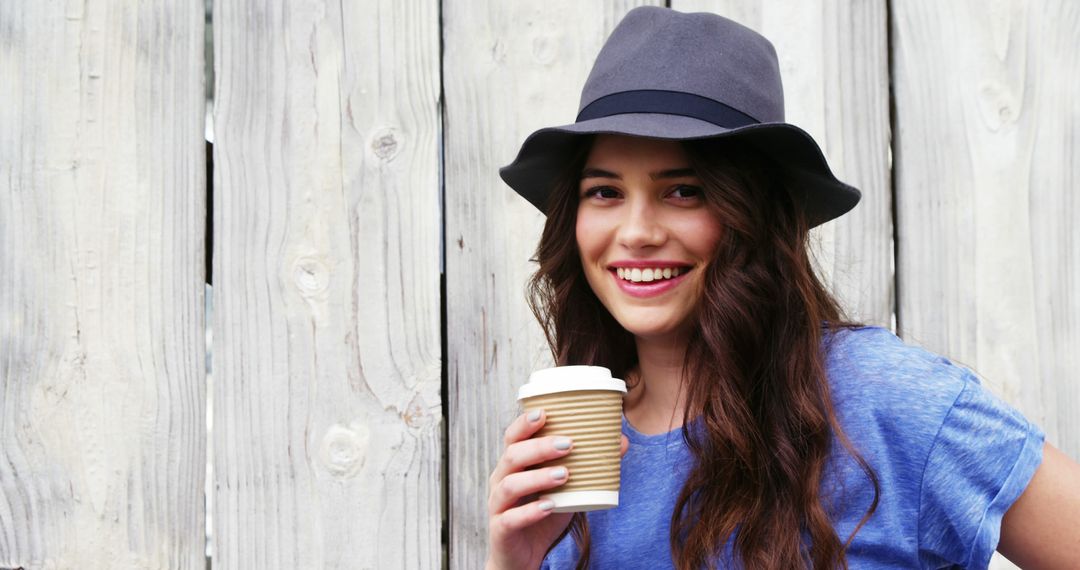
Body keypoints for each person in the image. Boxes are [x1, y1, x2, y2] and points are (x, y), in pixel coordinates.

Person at [485, 7, 1080, 570]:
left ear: (755, 215)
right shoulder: (577, 450)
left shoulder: (882, 398)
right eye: (605, 192)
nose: (637, 233)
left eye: (684, 190)